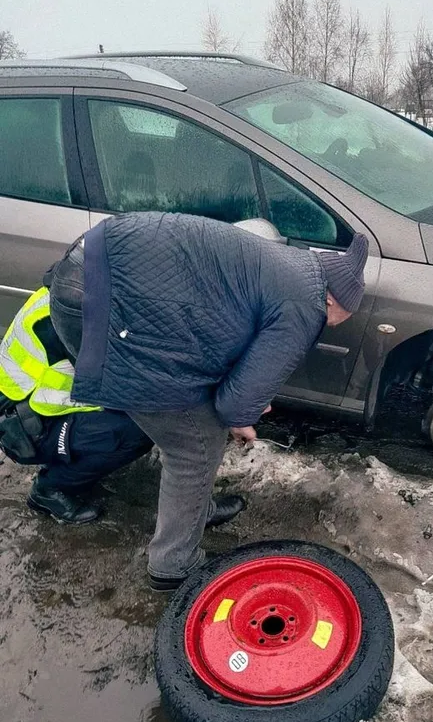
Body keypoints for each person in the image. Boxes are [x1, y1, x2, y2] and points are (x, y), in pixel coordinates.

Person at [46, 212, 369, 590]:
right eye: (338, 317)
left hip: (93, 267)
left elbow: (227, 334)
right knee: (195, 444)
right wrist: (244, 414)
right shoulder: (306, 305)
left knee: (174, 419)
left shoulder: (291, 264)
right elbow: (233, 406)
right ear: (330, 298)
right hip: (102, 302)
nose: (334, 324)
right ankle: (173, 565)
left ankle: (190, 511)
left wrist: (247, 399)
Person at [0, 285, 153, 523]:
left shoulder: (64, 291)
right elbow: (123, 385)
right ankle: (49, 489)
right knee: (140, 428)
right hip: (26, 425)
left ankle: (76, 453)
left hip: (28, 408)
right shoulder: (76, 322)